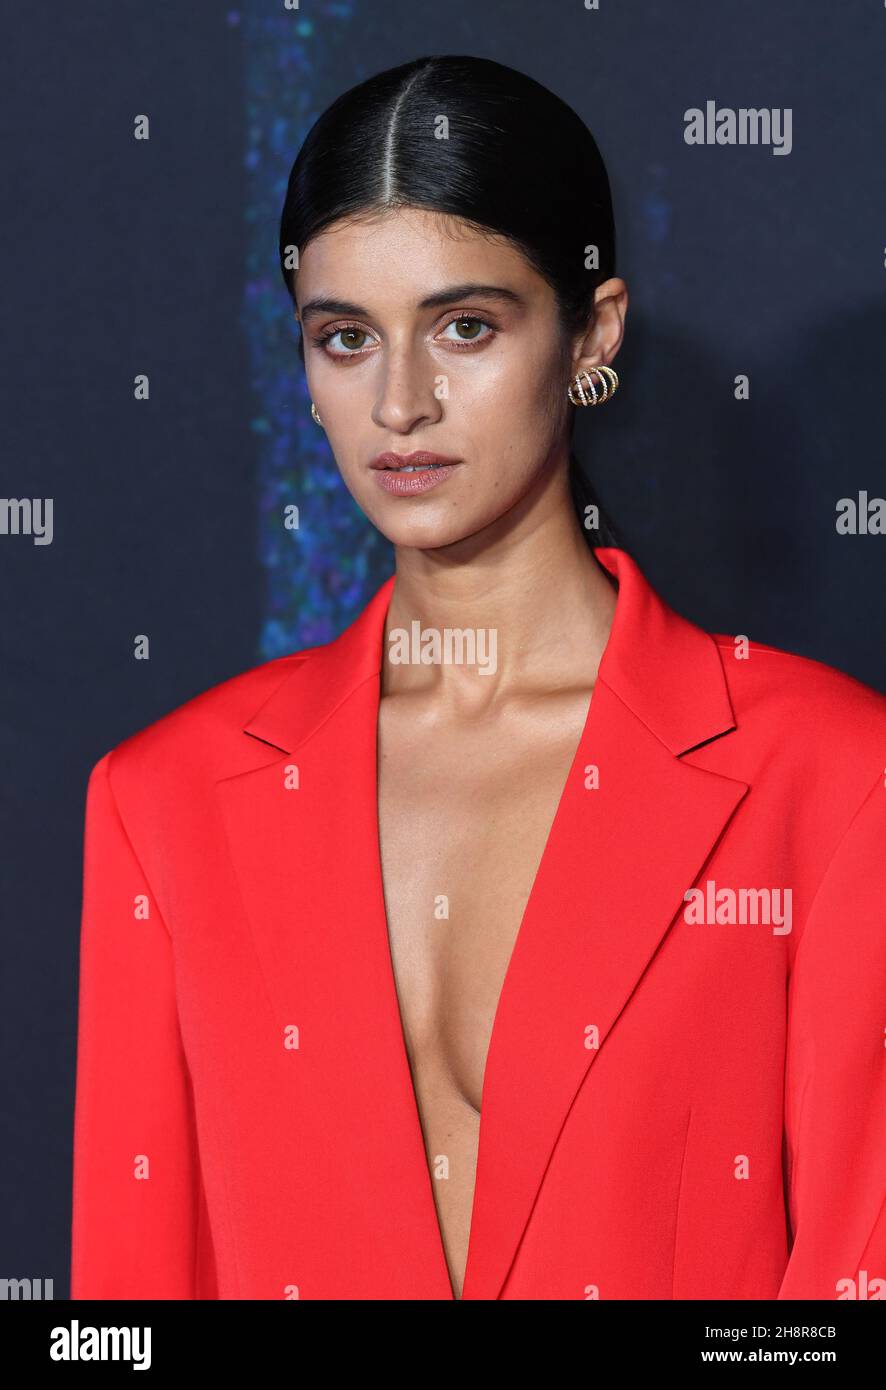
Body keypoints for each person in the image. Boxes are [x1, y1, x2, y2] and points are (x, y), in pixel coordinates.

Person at [70, 54, 886, 1301]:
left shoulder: (827, 777)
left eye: (465, 327)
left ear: (591, 334)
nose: (402, 401)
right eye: (345, 338)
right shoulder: (163, 800)